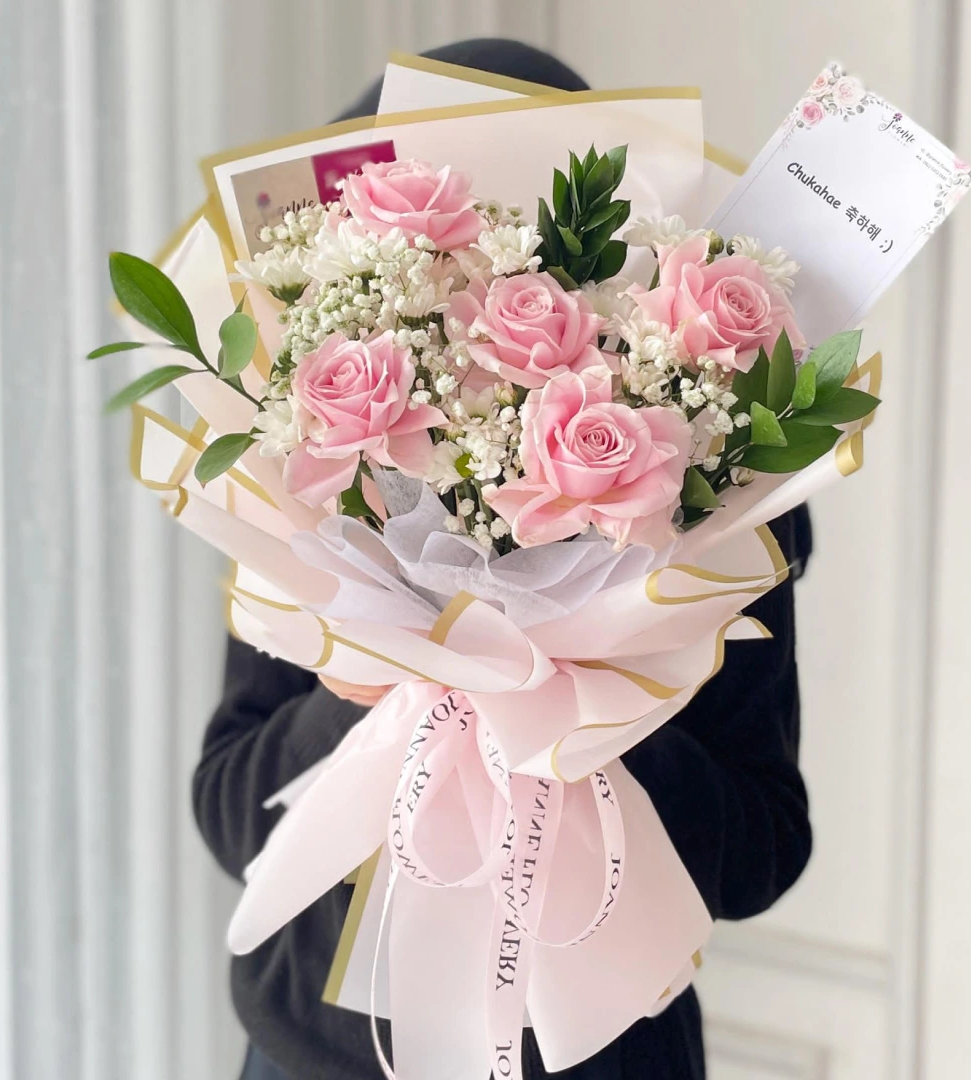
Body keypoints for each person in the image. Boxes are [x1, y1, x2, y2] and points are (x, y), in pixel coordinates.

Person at [193, 39, 814, 1080]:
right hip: (310, 1051)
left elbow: (764, 848)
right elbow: (228, 809)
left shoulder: (717, 498)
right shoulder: (306, 479)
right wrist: (375, 687)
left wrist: (579, 711)